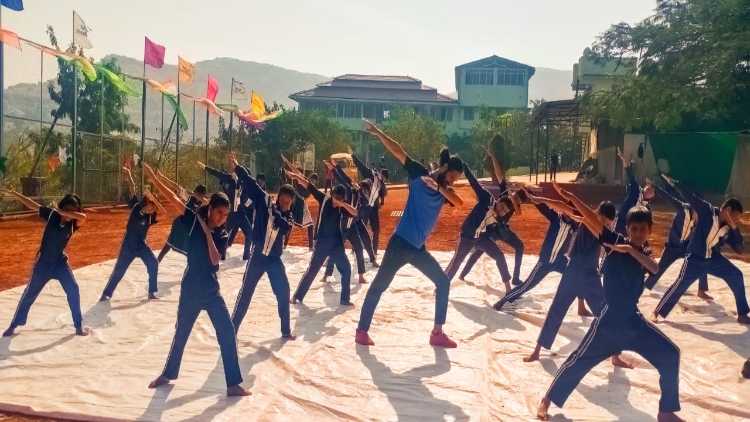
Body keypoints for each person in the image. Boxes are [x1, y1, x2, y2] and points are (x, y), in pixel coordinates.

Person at [537, 187, 683, 422]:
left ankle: (666, 411)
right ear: (626, 229)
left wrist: (629, 251)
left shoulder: (643, 251)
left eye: (642, 229)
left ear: (649, 231)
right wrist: (573, 198)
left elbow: (655, 269)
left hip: (633, 323)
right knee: (577, 362)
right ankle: (547, 399)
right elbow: (589, 218)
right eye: (633, 229)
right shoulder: (614, 240)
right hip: (607, 323)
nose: (637, 233)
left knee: (671, 354)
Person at [356, 120, 465, 348]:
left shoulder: (445, 191)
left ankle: (437, 333)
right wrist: (378, 132)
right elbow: (399, 151)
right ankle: (361, 330)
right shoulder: (419, 173)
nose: (453, 181)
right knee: (379, 286)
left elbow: (459, 202)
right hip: (400, 244)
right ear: (446, 169)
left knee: (442, 283)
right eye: (453, 176)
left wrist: (439, 187)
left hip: (417, 249)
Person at [144, 162, 250, 397]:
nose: (223, 218)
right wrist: (153, 176)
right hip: (191, 287)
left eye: (226, 215)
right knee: (181, 332)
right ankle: (167, 374)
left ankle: (233, 383)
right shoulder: (194, 219)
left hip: (212, 291)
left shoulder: (221, 234)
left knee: (227, 331)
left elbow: (214, 260)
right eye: (219, 213)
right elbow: (174, 199)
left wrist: (206, 231)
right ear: (210, 209)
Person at [522, 188, 618, 364]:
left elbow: (565, 205)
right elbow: (563, 206)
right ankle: (537, 351)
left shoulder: (596, 226)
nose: (609, 225)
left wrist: (543, 198)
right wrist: (541, 198)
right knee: (557, 310)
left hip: (587, 275)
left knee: (603, 314)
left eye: (610, 223)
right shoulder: (590, 221)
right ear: (600, 215)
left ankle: (615, 356)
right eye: (607, 221)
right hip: (576, 272)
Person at [652, 188, 749, 324]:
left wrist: (733, 226)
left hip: (713, 259)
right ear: (726, 210)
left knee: (736, 275)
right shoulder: (707, 211)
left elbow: (739, 249)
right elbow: (689, 195)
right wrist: (672, 182)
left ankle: (743, 314)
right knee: (680, 284)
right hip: (695, 259)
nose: (736, 221)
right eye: (735, 217)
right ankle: (657, 311)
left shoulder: (729, 228)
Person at [2, 189, 89, 337]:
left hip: (60, 264)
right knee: (29, 294)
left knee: (73, 289)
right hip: (43, 264)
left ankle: (78, 326)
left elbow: (83, 216)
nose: (71, 213)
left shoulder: (73, 223)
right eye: (68, 209)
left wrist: (63, 212)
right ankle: (14, 325)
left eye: (73, 210)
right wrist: (15, 194)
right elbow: (32, 205)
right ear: (64, 207)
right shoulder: (52, 215)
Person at [231, 158, 297, 340]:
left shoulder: (289, 217)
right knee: (246, 293)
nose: (286, 201)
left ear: (291, 202)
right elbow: (251, 183)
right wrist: (237, 167)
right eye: (284, 197)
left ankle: (285, 331)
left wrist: (276, 214)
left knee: (284, 292)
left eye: (289, 199)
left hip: (274, 260)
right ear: (279, 197)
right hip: (258, 256)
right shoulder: (265, 201)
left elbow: (285, 227)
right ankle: (232, 328)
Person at [492, 187, 576, 311]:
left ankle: (583, 306)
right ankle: (502, 301)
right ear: (563, 210)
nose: (570, 214)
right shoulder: (555, 218)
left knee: (578, 276)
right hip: (545, 262)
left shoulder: (575, 225)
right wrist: (527, 193)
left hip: (560, 260)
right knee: (526, 286)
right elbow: (541, 205)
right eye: (567, 211)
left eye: (572, 212)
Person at [444, 149, 514, 294]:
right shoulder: (487, 198)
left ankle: (508, 289)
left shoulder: (501, 215)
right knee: (456, 262)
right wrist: (463, 165)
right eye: (501, 207)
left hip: (481, 237)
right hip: (468, 235)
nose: (501, 211)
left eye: (504, 211)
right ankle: (441, 286)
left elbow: (494, 226)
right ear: (498, 201)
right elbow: (474, 182)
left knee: (499, 256)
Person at [288, 171, 359, 306]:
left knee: (346, 269)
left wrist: (342, 204)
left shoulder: (342, 207)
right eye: (336, 198)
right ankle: (297, 296)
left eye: (341, 199)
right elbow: (308, 185)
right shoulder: (324, 198)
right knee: (313, 270)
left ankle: (344, 299)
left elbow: (355, 212)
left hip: (336, 244)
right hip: (322, 243)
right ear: (332, 195)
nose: (337, 201)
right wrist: (296, 177)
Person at [100, 166, 164, 301]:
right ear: (146, 204)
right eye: (151, 206)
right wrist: (129, 175)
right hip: (128, 246)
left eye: (154, 208)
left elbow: (163, 211)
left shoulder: (151, 216)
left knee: (153, 263)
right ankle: (106, 294)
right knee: (119, 271)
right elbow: (133, 188)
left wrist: (156, 188)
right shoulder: (137, 208)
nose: (153, 210)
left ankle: (152, 292)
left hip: (141, 245)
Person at [645, 175, 710, 298]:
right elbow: (668, 197)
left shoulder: (703, 215)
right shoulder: (683, 208)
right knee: (659, 268)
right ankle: (646, 285)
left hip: (688, 246)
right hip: (673, 246)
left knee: (702, 260)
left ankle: (702, 290)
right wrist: (655, 187)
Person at [322, 160, 377, 284]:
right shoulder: (348, 190)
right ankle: (327, 274)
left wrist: (335, 168)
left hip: (352, 226)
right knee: (335, 249)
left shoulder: (361, 195)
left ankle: (361, 275)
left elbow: (361, 208)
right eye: (356, 184)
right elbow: (344, 179)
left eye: (359, 186)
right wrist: (334, 168)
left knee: (358, 248)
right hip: (342, 226)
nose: (356, 184)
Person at [198, 157, 252, 260]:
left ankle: (246, 256)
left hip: (241, 214)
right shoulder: (229, 178)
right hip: (230, 214)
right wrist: (205, 167)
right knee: (223, 235)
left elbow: (247, 199)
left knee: (250, 233)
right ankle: (220, 255)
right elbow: (217, 173)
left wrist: (251, 204)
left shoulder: (244, 184)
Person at [157, 183, 208, 262]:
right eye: (197, 193)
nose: (199, 196)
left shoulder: (203, 204)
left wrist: (196, 195)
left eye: (201, 194)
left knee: (190, 250)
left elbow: (208, 202)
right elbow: (176, 186)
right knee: (168, 244)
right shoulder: (189, 198)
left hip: (190, 227)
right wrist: (162, 177)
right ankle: (156, 262)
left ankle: (193, 266)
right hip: (180, 224)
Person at [352, 154, 387, 256]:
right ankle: (356, 248)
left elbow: (382, 193)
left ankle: (373, 251)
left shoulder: (381, 181)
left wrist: (381, 202)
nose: (383, 179)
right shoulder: (370, 174)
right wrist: (354, 158)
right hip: (365, 207)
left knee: (375, 230)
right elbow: (361, 166)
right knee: (362, 228)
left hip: (373, 208)